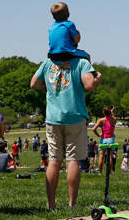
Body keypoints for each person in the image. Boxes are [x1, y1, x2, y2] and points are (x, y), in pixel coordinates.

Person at [30, 39, 101, 210]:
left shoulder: (48, 62)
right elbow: (90, 84)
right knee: (73, 160)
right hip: (75, 116)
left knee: (54, 160)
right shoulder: (82, 62)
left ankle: (51, 204)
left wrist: (48, 88)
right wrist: (98, 77)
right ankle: (72, 203)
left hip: (53, 118)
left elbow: (33, 84)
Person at [92, 105, 117, 174]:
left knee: (101, 157)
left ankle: (100, 172)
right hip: (111, 139)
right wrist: (112, 112)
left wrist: (98, 135)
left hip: (103, 138)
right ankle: (109, 173)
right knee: (110, 157)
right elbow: (113, 118)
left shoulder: (101, 120)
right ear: (110, 112)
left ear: (103, 112)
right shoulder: (114, 119)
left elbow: (93, 129)